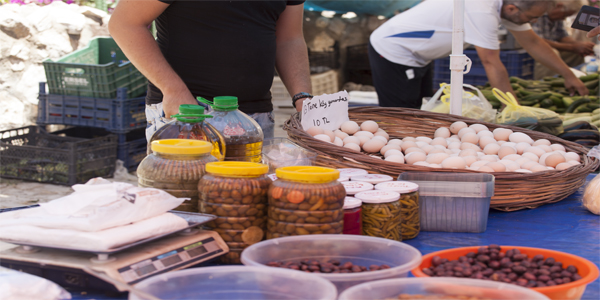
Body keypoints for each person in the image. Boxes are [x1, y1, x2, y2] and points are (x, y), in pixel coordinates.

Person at [108, 0, 313, 141]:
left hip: (255, 116)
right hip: (188, 113)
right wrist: (173, 90)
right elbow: (125, 24)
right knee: (184, 202)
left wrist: (303, 98)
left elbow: (289, 38)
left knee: (246, 201)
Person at [368, 0, 589, 109]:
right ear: (513, 9)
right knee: (402, 111)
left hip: (420, 56)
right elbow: (491, 62)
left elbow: (533, 43)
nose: (531, 23)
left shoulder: (507, 9)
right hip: (394, 50)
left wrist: (568, 75)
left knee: (422, 109)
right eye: (531, 18)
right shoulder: (482, 8)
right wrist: (512, 108)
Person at [532, 0, 595, 79]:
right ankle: (546, 82)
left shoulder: (558, 18)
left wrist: (580, 45)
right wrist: (573, 47)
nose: (564, 18)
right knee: (551, 52)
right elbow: (538, 41)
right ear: (559, 6)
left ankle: (573, 77)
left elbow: (563, 36)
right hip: (535, 49)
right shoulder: (539, 14)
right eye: (566, 14)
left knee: (577, 52)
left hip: (551, 46)